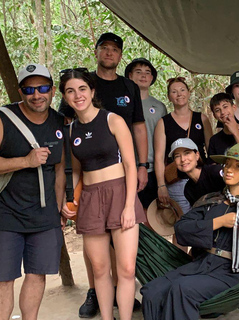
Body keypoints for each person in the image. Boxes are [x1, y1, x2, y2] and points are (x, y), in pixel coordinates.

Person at [141, 142, 239, 320]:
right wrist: (218, 222)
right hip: (201, 266)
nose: (229, 170)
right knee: (151, 292)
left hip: (233, 273)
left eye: (237, 166)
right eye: (227, 165)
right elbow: (181, 230)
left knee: (182, 289)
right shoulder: (211, 202)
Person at [58, 32, 148, 317]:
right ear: (64, 97)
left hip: (120, 192)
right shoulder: (71, 131)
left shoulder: (113, 119)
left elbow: (131, 165)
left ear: (92, 91)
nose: (77, 95)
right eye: (70, 91)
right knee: (99, 268)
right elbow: (76, 171)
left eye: (82, 89)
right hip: (91, 198)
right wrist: (72, 200)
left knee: (126, 268)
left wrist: (128, 205)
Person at [0, 64, 65, 320]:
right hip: (6, 214)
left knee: (37, 274)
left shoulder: (60, 122)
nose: (36, 94)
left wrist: (58, 209)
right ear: (20, 91)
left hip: (44, 215)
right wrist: (25, 161)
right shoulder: (5, 118)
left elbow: (60, 170)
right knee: (4, 279)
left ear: (52, 91)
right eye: (29, 89)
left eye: (43, 88)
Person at [154, 77, 213, 214]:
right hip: (176, 180)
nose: (179, 94)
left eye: (182, 90)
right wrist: (161, 185)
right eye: (174, 92)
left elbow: (211, 149)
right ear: (169, 97)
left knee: (206, 217)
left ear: (188, 93)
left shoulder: (202, 118)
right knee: (181, 221)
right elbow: (158, 157)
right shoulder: (163, 123)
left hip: (200, 176)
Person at [125, 58, 167, 211]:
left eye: (147, 73)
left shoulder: (160, 107)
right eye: (138, 72)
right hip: (126, 167)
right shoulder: (123, 104)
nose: (143, 75)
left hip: (152, 170)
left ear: (152, 78)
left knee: (151, 215)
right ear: (130, 76)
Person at [169, 138, 224, 206]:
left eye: (187, 153)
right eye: (177, 156)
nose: (183, 159)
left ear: (197, 155)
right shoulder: (188, 189)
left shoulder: (214, 172)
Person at [207, 92, 239, 160]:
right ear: (214, 116)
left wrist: (235, 132)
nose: (222, 112)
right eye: (217, 110)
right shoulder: (214, 140)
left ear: (234, 107)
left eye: (225, 107)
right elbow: (212, 165)